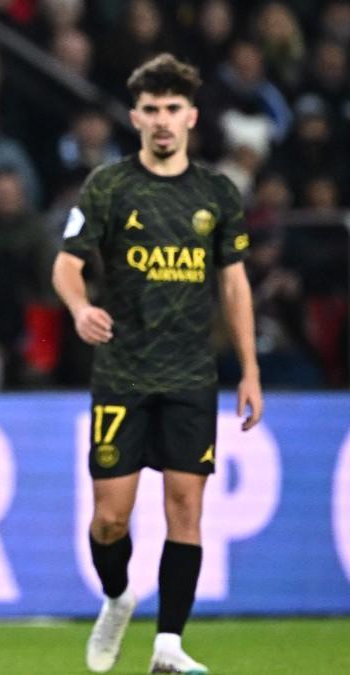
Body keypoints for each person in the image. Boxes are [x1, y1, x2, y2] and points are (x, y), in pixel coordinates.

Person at [51, 53, 263, 675]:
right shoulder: (110, 187)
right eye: (151, 110)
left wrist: (249, 369)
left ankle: (168, 645)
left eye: (173, 109)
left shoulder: (216, 193)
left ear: (191, 116)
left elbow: (235, 287)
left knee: (185, 510)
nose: (163, 121)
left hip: (191, 376)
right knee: (110, 520)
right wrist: (78, 306)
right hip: (122, 373)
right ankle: (118, 597)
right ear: (136, 117)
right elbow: (66, 263)